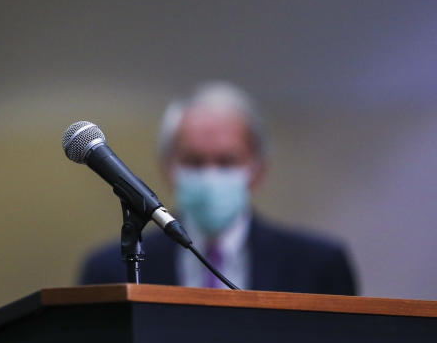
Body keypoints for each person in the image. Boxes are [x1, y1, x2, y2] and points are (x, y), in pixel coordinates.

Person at [79, 81, 356, 294]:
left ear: (258, 169)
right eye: (194, 161)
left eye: (226, 161)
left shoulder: (318, 266)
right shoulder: (109, 270)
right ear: (168, 168)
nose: (210, 175)